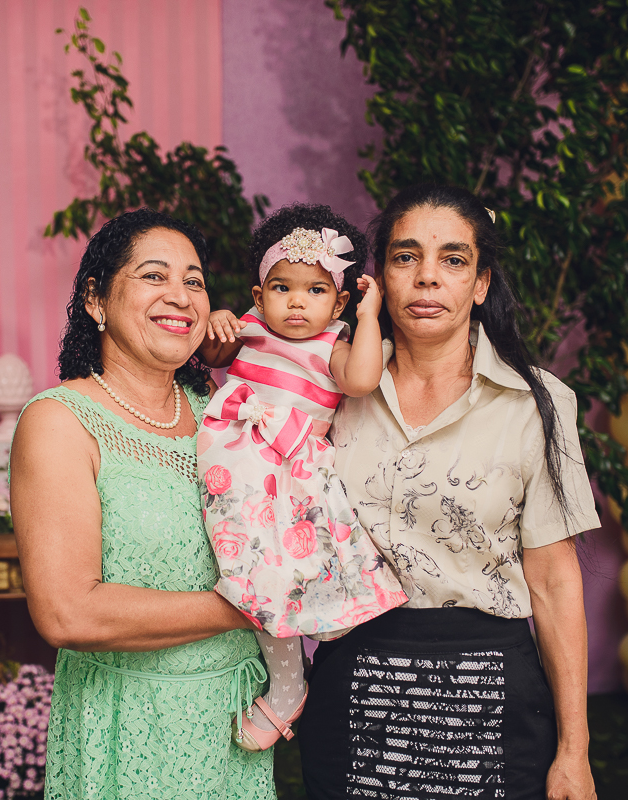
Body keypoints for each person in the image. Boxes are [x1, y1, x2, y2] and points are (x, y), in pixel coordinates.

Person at [297, 184, 600, 800]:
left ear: (481, 283)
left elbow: (553, 581)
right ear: (379, 279)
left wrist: (574, 749)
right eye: (406, 257)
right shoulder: (327, 386)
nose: (428, 277)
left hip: (488, 692)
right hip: (356, 686)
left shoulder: (538, 403)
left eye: (453, 259)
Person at [10, 208, 275, 799]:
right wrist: (252, 607)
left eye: (194, 281)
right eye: (154, 276)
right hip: (125, 720)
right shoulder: (60, 422)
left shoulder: (223, 413)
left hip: (233, 722)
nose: (180, 295)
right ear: (96, 300)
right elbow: (67, 612)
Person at [197, 204, 408, 752]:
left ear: (338, 303)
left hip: (290, 477)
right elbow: (210, 351)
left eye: (315, 290)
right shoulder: (251, 328)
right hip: (234, 466)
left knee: (275, 574)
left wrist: (369, 314)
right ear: (259, 294)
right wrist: (218, 319)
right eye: (281, 288)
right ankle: (284, 677)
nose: (296, 302)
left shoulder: (334, 345)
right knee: (242, 571)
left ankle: (289, 685)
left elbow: (361, 380)